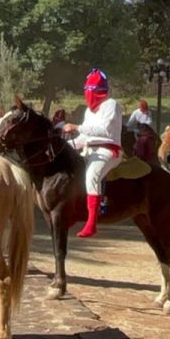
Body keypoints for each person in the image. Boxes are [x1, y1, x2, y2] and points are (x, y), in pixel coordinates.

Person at [62, 69, 123, 238]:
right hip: (88, 149)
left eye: (93, 90)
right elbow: (85, 137)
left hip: (109, 149)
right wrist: (65, 145)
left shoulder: (112, 105)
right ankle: (75, 212)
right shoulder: (89, 111)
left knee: (92, 176)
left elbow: (104, 130)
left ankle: (92, 222)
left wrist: (77, 127)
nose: (90, 95)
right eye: (88, 90)